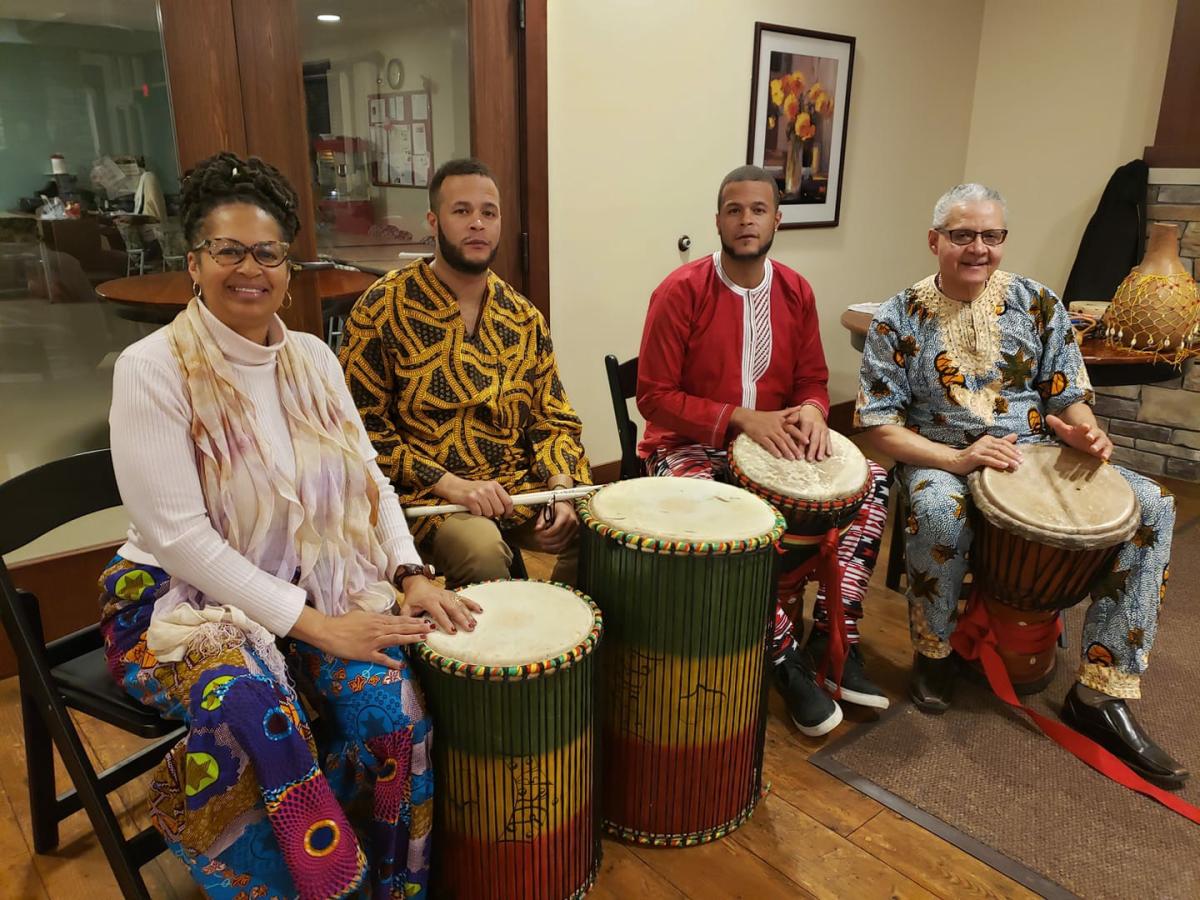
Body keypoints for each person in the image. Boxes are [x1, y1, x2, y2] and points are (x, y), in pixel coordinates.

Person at [102, 151, 475, 897]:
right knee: (253, 708)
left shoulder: (311, 358)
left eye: (268, 251)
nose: (251, 268)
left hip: (314, 579)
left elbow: (368, 481)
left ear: (288, 264)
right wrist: (316, 627)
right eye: (228, 250)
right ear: (194, 261)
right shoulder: (153, 367)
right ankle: (316, 885)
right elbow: (181, 540)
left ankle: (399, 886)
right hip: (181, 601)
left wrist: (408, 572)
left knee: (394, 706)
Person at [856, 182, 1186, 786]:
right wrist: (954, 461)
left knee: (1153, 504)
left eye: (991, 235)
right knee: (935, 510)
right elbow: (878, 427)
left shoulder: (1038, 302)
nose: (978, 248)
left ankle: (1101, 691)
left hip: (1036, 451)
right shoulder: (896, 318)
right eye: (962, 235)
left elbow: (1069, 394)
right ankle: (934, 653)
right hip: (942, 453)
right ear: (934, 241)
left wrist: (1085, 433)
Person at [637, 164, 891, 738]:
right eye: (734, 209)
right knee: (727, 519)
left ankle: (835, 642)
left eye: (757, 210)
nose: (746, 220)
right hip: (686, 446)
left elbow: (814, 380)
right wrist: (739, 420)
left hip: (774, 445)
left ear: (777, 218)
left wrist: (813, 411)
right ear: (718, 220)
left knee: (872, 481)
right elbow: (652, 397)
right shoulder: (680, 292)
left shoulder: (796, 291)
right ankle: (784, 660)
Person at [340, 158, 591, 588]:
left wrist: (560, 487)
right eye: (462, 211)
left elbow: (554, 418)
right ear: (434, 222)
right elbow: (360, 431)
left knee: (601, 534)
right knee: (483, 550)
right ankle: (496, 647)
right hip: (431, 496)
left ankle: (558, 637)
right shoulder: (383, 307)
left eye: (488, 213)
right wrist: (453, 485)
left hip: (517, 486)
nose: (477, 223)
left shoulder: (522, 316)